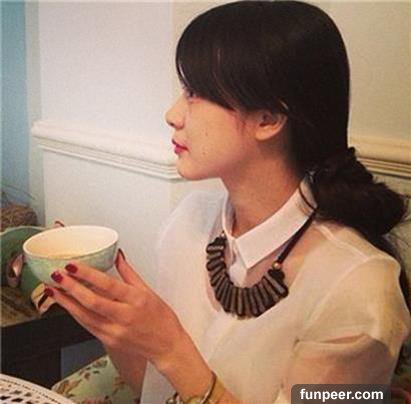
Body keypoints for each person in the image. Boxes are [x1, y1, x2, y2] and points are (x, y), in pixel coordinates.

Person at [44, 1, 411, 403]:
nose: (172, 114)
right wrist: (115, 327)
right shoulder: (188, 223)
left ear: (268, 118)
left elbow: (175, 363)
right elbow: (156, 393)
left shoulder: (360, 289)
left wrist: (172, 348)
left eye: (195, 93)